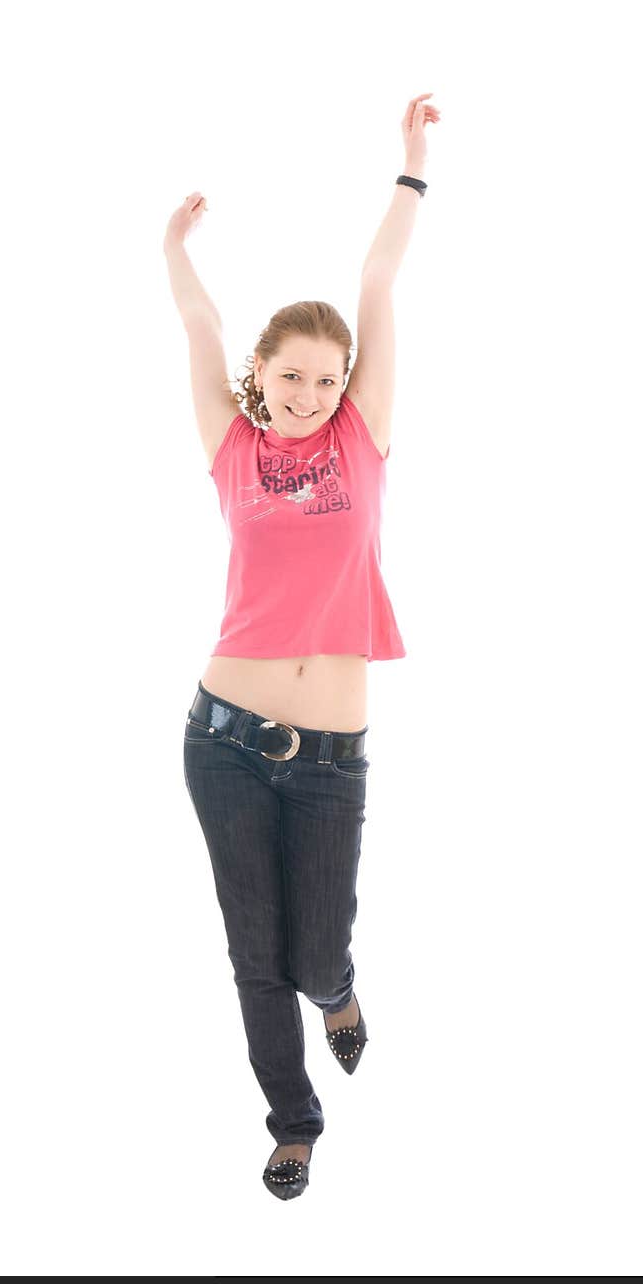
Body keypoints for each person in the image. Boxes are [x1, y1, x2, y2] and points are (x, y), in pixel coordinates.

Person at [163, 93, 440, 1199]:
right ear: (262, 374)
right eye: (293, 376)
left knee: (314, 953)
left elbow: (378, 282)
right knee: (252, 953)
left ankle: (341, 992)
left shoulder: (363, 438)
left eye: (328, 379)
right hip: (219, 738)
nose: (311, 394)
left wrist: (409, 167)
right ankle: (292, 1118)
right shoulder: (230, 445)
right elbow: (196, 329)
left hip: (327, 762)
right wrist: (172, 249)